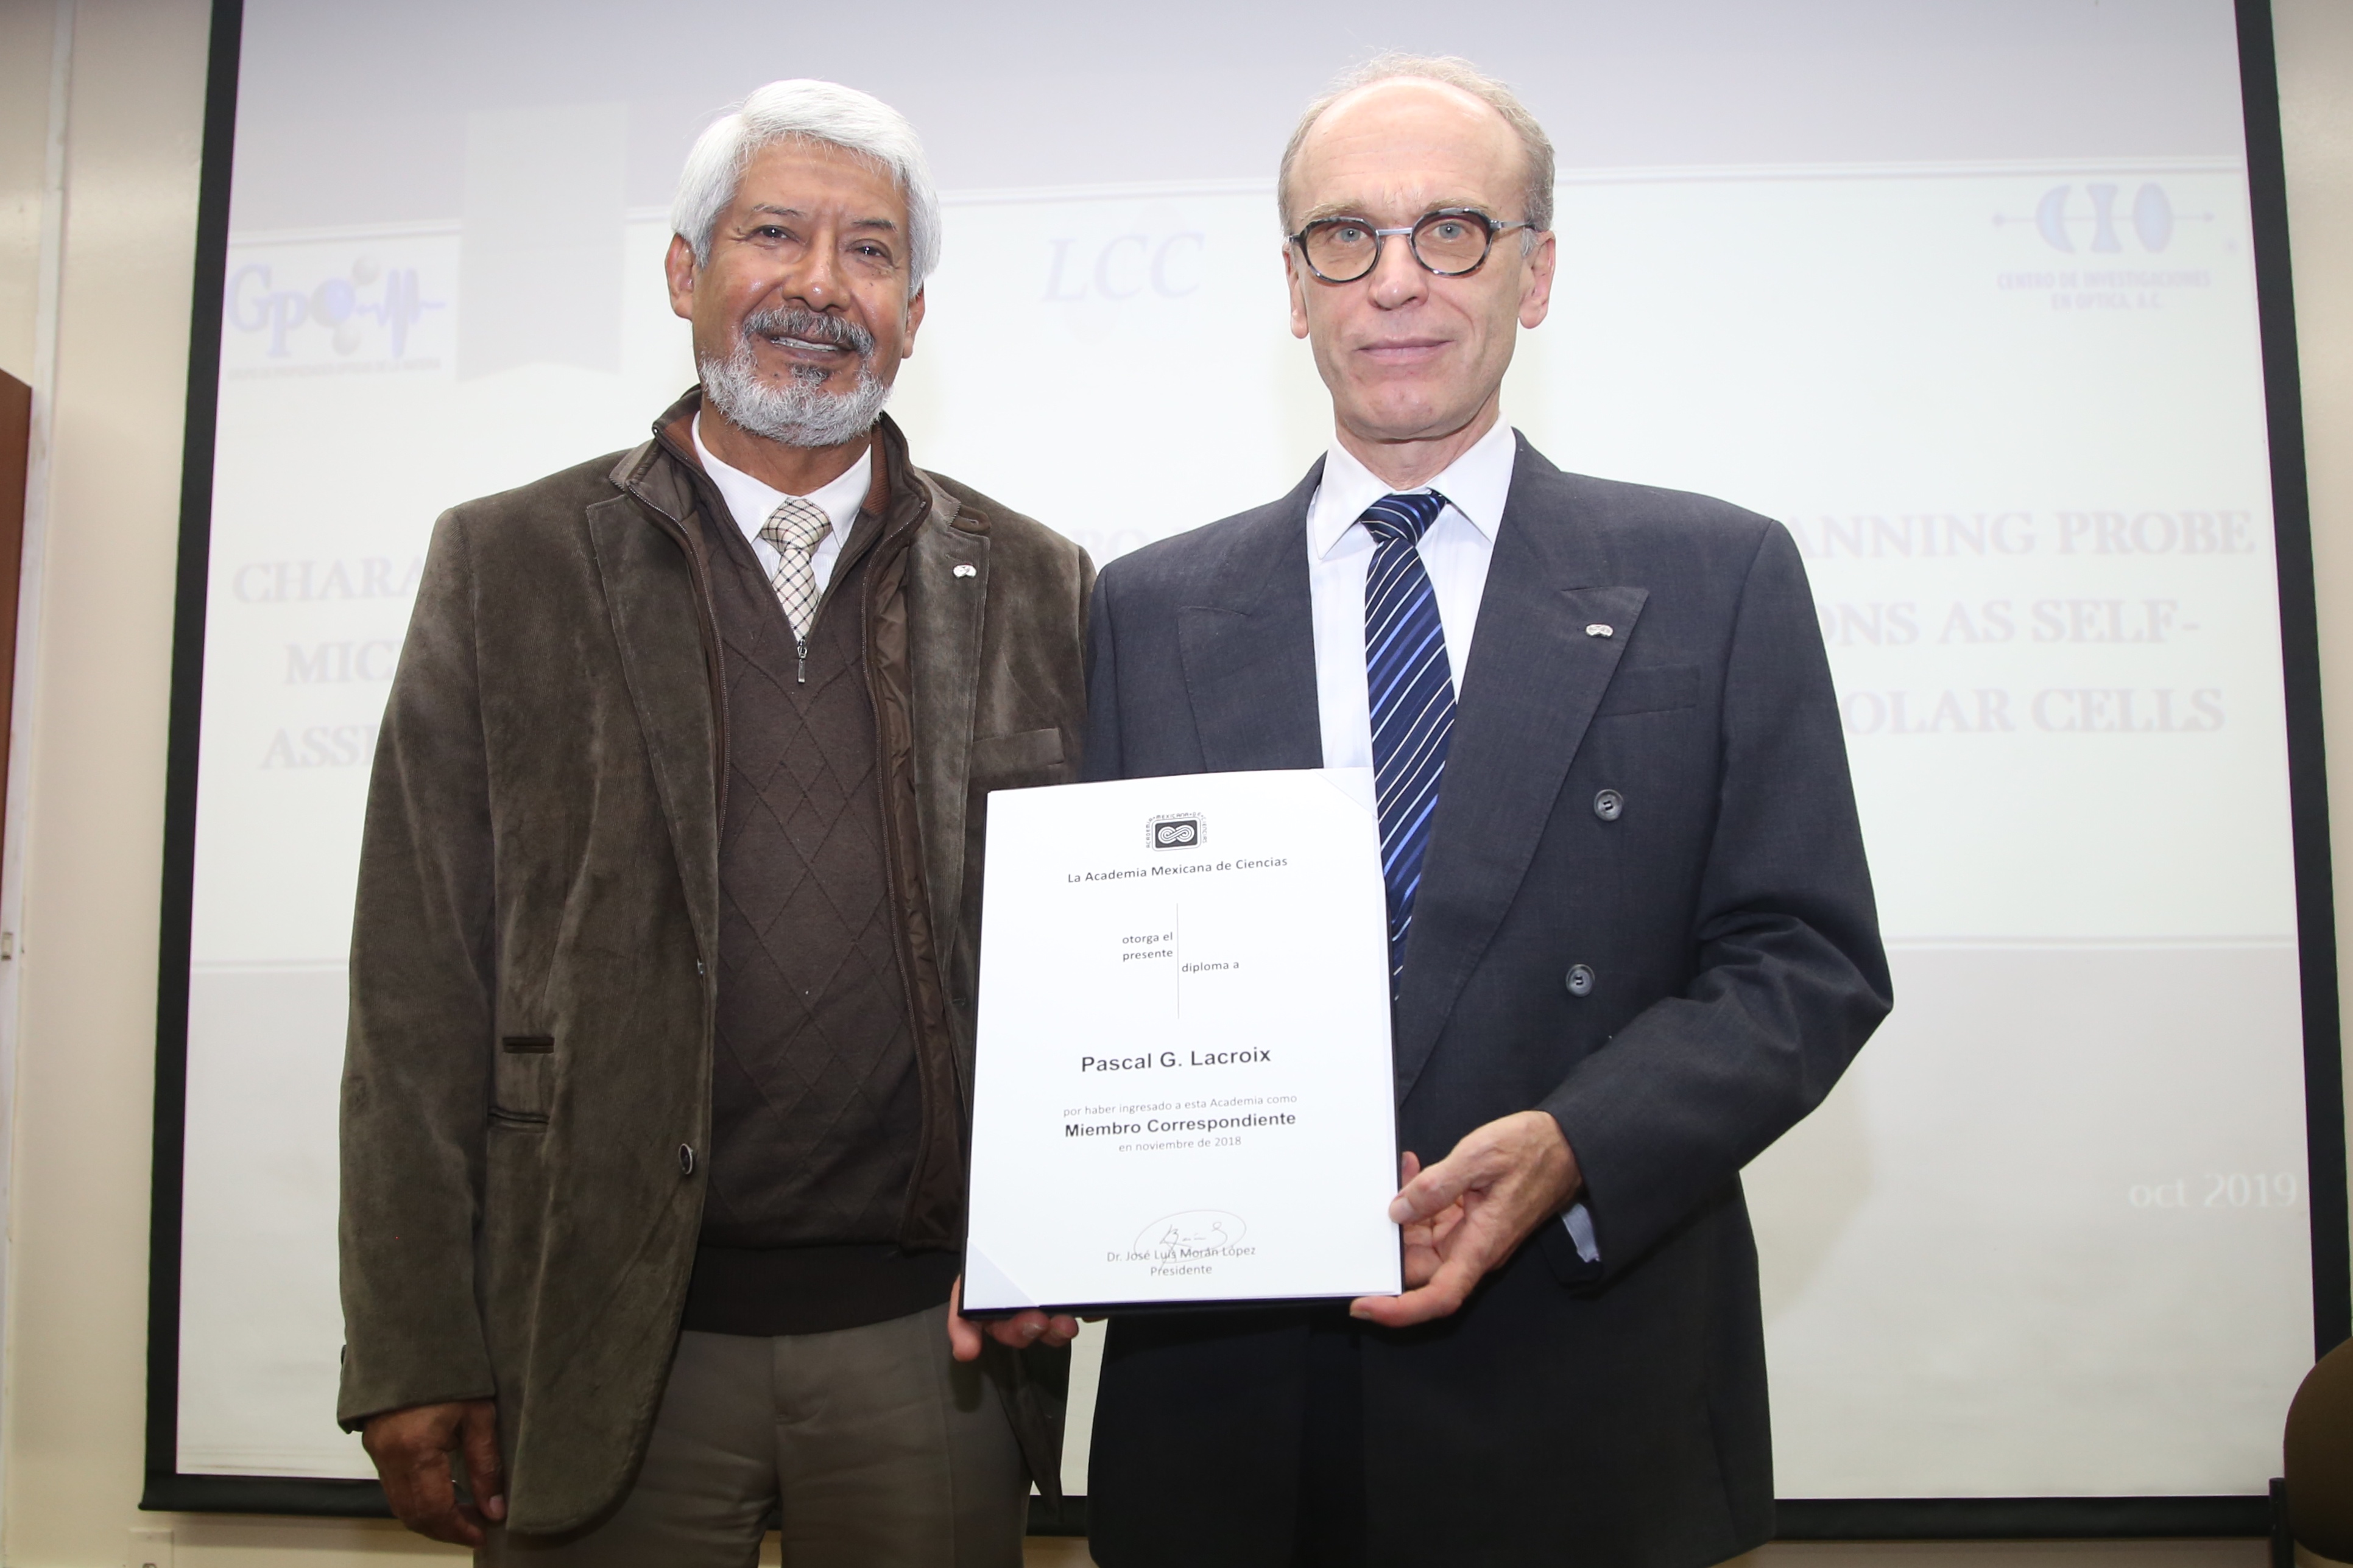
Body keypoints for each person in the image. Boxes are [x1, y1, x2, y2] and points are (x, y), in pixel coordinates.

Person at [1077, 54, 1892, 1568]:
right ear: (1295, 285)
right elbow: (1093, 980)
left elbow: (1807, 960)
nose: (1397, 281)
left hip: (1591, 1385)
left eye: (1452, 229)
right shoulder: (1146, 608)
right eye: (1346, 237)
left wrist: (1578, 1142)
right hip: (1237, 1417)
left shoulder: (1717, 576)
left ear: (1539, 268)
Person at [337, 79, 1089, 1566]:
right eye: (774, 236)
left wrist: (1075, 1221)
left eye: (870, 252)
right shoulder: (511, 564)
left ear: (916, 310)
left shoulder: (1038, 581)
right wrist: (414, 1342)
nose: (821, 286)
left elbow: (1094, 968)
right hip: (604, 1329)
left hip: (924, 1340)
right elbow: (418, 981)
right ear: (687, 274)